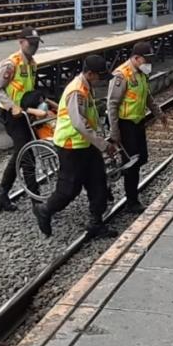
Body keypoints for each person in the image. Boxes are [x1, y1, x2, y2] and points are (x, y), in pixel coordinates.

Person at [32, 55, 118, 238]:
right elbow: (79, 123)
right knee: (69, 189)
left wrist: (99, 142)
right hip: (71, 146)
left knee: (98, 183)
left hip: (86, 145)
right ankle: (45, 209)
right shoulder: (76, 91)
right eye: (99, 76)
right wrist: (103, 144)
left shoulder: (87, 87)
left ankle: (96, 222)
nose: (101, 80)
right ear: (89, 73)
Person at [0, 27, 55, 210]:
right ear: (21, 42)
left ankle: (2, 191)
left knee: (22, 153)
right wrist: (13, 106)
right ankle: (36, 202)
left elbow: (30, 91)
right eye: (31, 43)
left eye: (36, 44)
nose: (34, 47)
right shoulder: (11, 64)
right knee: (26, 155)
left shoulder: (33, 64)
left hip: (27, 114)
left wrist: (45, 102)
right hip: (12, 115)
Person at [107, 42, 167, 213]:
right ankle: (131, 201)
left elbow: (146, 95)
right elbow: (112, 105)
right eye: (145, 59)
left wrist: (158, 113)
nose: (148, 63)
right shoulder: (121, 75)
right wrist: (114, 131)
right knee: (131, 163)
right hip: (125, 125)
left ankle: (120, 184)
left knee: (142, 158)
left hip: (138, 122)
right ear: (135, 58)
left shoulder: (142, 73)